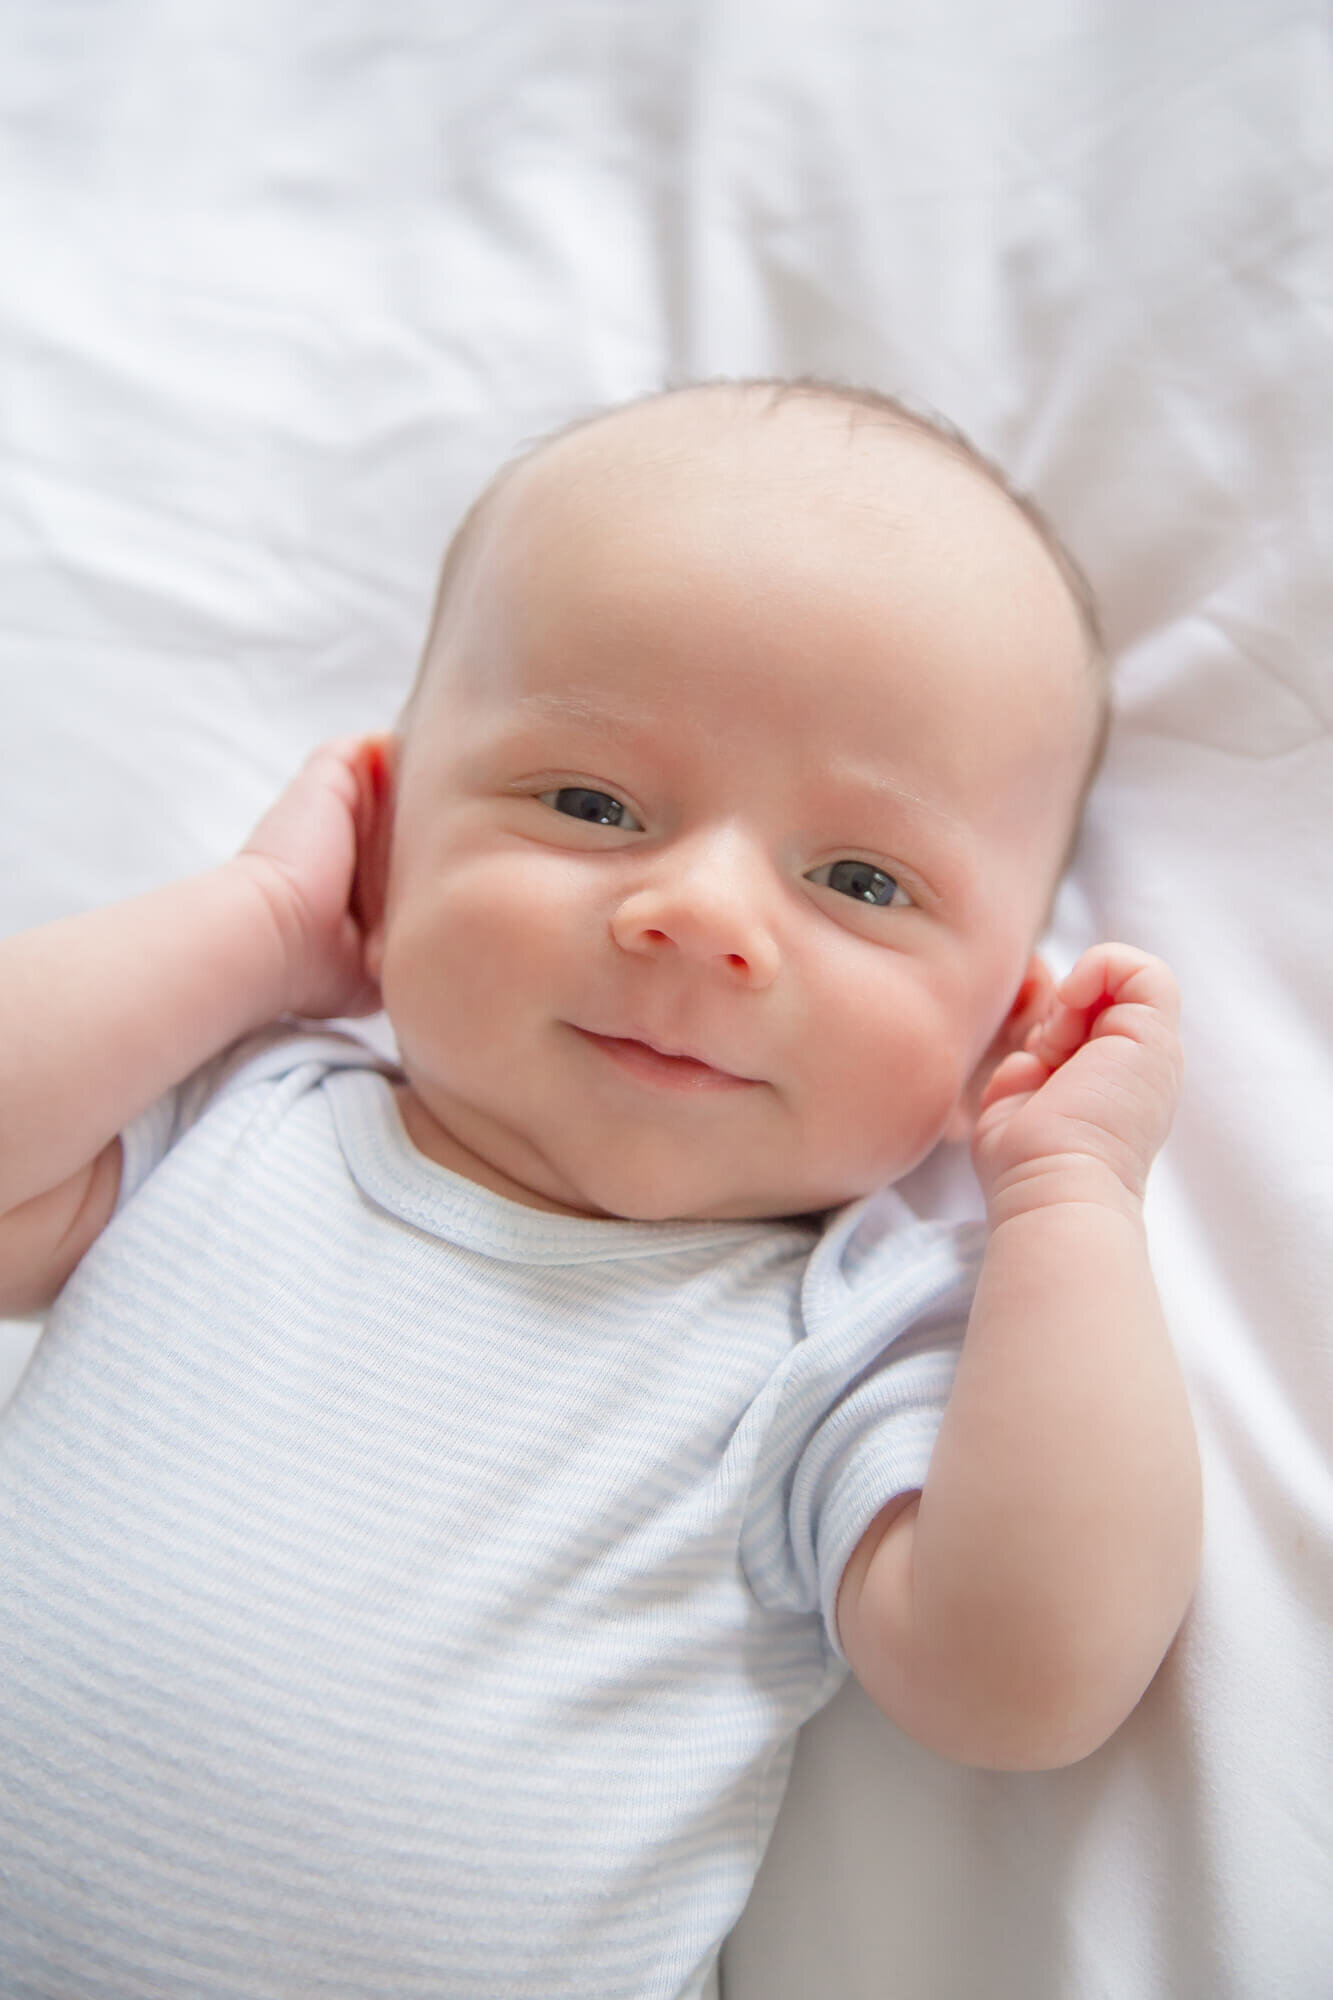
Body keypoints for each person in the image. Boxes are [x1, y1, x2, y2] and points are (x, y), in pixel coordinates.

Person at [0, 379, 1201, 1999]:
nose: (700, 912)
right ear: (392, 831)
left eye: (857, 880)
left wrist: (1067, 1202)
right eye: (588, 803)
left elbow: (1024, 1679)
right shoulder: (241, 1119)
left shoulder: (825, 1342)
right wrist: (262, 930)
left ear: (1004, 1018)